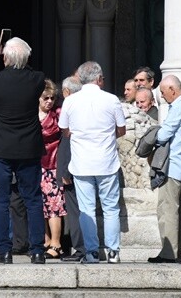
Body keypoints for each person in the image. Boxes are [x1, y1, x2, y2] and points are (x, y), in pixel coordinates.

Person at [0, 36, 47, 264]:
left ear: (5, 58)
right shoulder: (37, 79)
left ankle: (4, 251)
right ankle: (37, 251)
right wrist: (18, 59)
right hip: (27, 149)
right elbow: (28, 70)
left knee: (0, 201)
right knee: (33, 200)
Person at [58, 61, 126, 264]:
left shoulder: (70, 101)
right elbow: (121, 130)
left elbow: (64, 129)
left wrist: (81, 135)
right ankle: (113, 252)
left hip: (81, 163)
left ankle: (92, 252)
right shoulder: (112, 99)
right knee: (110, 208)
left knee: (86, 209)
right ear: (98, 79)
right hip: (106, 161)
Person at [148, 74, 181, 263]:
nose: (162, 96)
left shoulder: (179, 107)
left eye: (163, 92)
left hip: (173, 165)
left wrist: (152, 136)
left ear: (173, 90)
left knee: (167, 209)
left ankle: (169, 252)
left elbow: (164, 134)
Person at [56, 76, 85, 262]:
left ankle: (81, 249)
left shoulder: (70, 106)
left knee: (75, 211)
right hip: (89, 166)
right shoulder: (86, 106)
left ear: (66, 92)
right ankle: (87, 249)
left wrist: (65, 172)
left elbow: (67, 142)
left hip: (74, 169)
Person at [37, 79, 65, 259]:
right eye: (45, 98)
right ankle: (46, 240)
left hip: (53, 164)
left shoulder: (58, 114)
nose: (49, 101)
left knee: (54, 205)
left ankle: (56, 243)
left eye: (52, 98)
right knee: (41, 205)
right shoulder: (31, 114)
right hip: (35, 165)